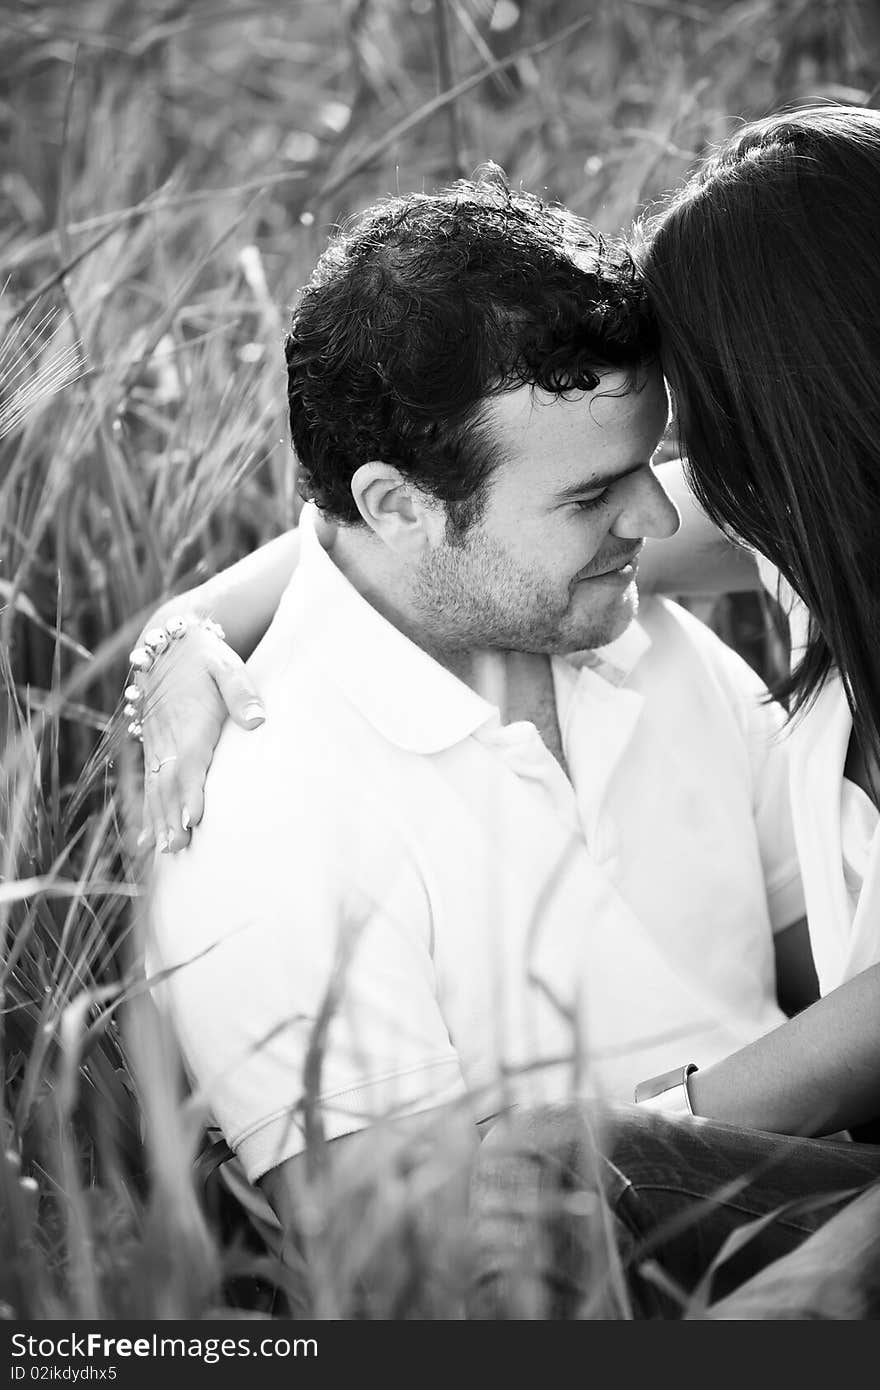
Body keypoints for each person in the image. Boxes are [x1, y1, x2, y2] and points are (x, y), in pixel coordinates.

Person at [144, 180, 823, 1306]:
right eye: (594, 493)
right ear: (398, 504)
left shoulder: (655, 646)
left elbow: (831, 979)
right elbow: (429, 1283)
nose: (658, 526)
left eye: (649, 468)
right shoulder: (264, 806)